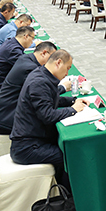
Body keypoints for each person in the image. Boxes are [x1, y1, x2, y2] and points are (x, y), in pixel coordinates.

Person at [9, 50, 86, 189]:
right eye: (67, 68)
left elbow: (52, 99)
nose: (67, 73)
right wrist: (73, 110)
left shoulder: (42, 74)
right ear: (58, 63)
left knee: (69, 148)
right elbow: (48, 116)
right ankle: (67, 195)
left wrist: (73, 101)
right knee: (70, 156)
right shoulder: (39, 82)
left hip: (35, 139)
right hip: (27, 147)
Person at [0, 41, 68, 135]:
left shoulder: (26, 58)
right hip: (7, 119)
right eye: (52, 58)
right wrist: (63, 87)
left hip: (3, 112)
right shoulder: (31, 69)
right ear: (43, 53)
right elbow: (45, 93)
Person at [0, 26, 36, 99]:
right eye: (32, 38)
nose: (32, 42)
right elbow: (26, 67)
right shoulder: (13, 50)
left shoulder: (11, 42)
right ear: (26, 36)